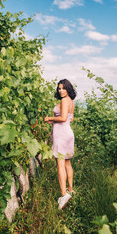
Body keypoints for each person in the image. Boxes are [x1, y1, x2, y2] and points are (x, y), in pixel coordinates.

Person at [44, 79, 77, 210]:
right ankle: (71, 189)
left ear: (68, 89)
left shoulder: (64, 101)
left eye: (63, 88)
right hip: (68, 133)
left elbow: (63, 118)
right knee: (68, 163)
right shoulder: (71, 102)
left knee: (61, 164)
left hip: (62, 135)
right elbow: (70, 118)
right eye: (59, 88)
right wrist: (56, 121)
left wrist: (50, 118)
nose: (61, 90)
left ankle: (64, 195)